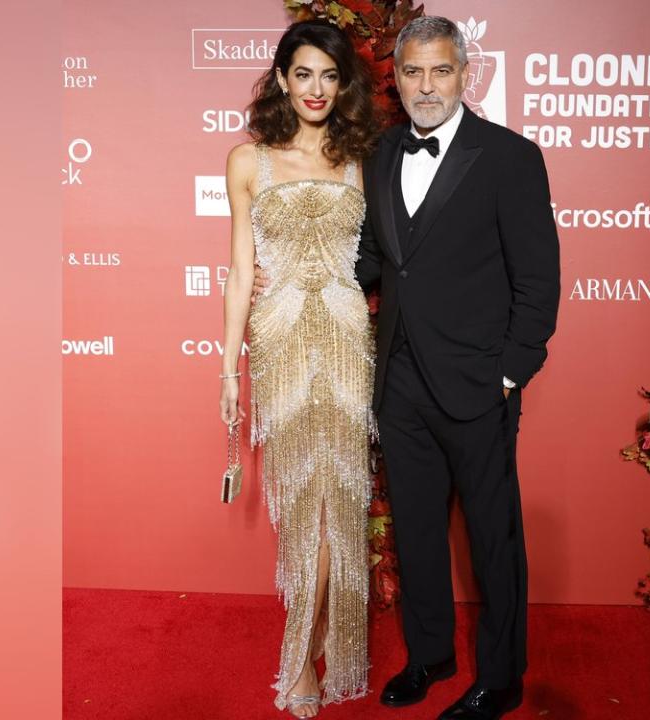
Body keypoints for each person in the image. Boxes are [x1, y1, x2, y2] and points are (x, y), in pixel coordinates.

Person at [354, 16, 561, 720]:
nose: (426, 85)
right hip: (402, 383)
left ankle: (502, 679)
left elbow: (538, 279)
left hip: (479, 386)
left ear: (465, 74)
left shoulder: (509, 157)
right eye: (412, 72)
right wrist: (308, 276)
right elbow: (380, 261)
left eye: (440, 70)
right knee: (415, 531)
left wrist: (511, 372)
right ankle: (431, 655)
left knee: (493, 541)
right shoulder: (383, 153)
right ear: (398, 78)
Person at [218, 19, 379, 718]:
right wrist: (228, 369)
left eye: (329, 75)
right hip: (280, 339)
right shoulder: (247, 161)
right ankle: (306, 644)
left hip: (345, 337)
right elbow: (239, 271)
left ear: (342, 86)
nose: (316, 88)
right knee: (300, 499)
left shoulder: (359, 158)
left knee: (337, 498)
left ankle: (307, 654)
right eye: (303, 73)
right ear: (282, 78)